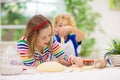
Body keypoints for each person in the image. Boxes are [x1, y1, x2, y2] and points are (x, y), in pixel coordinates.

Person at [17, 14, 83, 67]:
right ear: (33, 37)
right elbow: (31, 65)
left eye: (49, 35)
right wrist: (53, 62)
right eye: (43, 37)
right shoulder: (23, 44)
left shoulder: (51, 39)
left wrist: (74, 59)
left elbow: (62, 55)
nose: (48, 39)